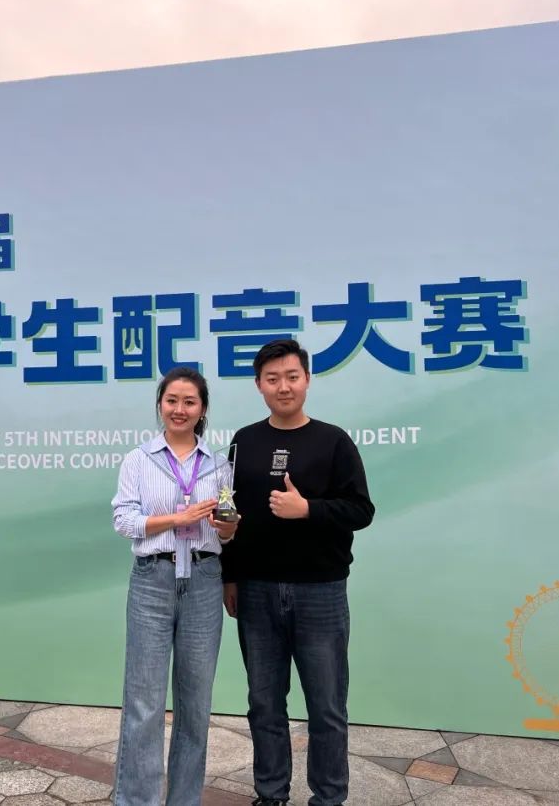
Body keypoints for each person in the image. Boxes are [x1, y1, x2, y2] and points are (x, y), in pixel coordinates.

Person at [221, 339, 375, 806]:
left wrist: (308, 509)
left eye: (291, 377)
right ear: (259, 385)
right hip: (256, 590)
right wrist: (230, 575)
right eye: (272, 379)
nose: (283, 387)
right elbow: (230, 513)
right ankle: (270, 795)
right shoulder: (243, 442)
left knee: (326, 706)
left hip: (320, 592)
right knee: (264, 703)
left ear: (307, 380)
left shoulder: (333, 441)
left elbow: (361, 510)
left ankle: (328, 798)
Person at [111, 366, 240, 806]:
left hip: (204, 581)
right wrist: (176, 518)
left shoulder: (219, 465)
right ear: (160, 405)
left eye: (189, 402)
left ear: (202, 409)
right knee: (144, 702)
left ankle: (184, 800)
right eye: (172, 401)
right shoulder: (138, 459)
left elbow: (227, 532)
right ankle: (137, 800)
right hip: (153, 580)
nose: (179, 409)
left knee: (195, 704)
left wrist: (228, 528)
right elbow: (124, 520)